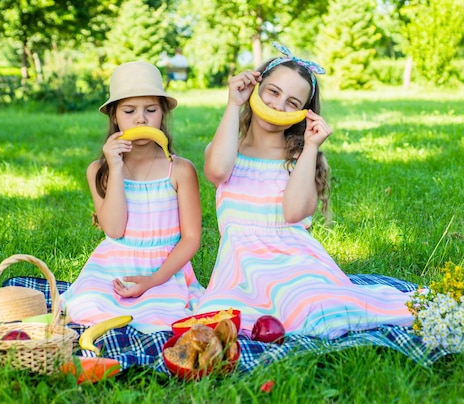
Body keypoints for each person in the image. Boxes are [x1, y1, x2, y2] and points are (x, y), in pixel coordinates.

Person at [196, 43, 414, 339]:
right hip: (241, 267)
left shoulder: (297, 158)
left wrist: (311, 147)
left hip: (295, 261)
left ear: (302, 114)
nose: (278, 105)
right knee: (222, 320)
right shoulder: (227, 150)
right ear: (255, 88)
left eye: (292, 102)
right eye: (272, 92)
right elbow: (217, 171)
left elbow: (294, 213)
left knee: (315, 310)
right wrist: (234, 104)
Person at [59, 61, 203, 333]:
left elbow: (192, 238)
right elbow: (114, 229)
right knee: (88, 308)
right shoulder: (98, 171)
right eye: (129, 111)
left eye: (151, 110)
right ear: (114, 116)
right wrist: (115, 168)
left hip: (164, 270)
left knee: (161, 318)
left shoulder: (180, 170)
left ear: (162, 114)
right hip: (112, 267)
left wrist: (153, 280)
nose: (141, 119)